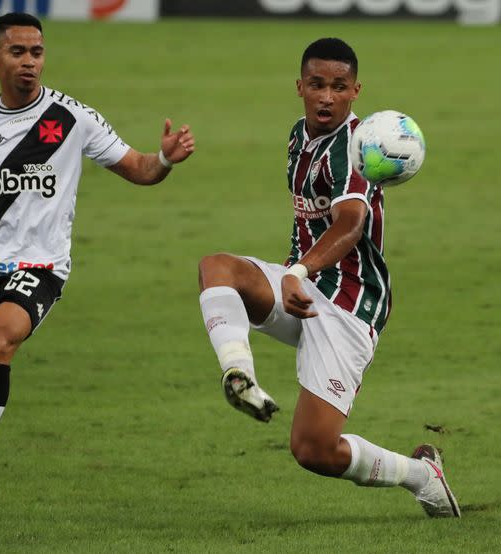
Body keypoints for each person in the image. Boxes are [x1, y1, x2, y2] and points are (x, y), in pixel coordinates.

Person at [0, 12, 195, 504]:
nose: (29, 62)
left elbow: (138, 168)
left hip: (39, 268)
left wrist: (167, 158)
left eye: (37, 52)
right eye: (17, 52)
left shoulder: (71, 118)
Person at [197, 38, 459, 518]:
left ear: (355, 91)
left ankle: (424, 476)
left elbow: (350, 223)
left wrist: (298, 270)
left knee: (313, 450)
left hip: (348, 306)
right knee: (217, 267)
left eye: (339, 87)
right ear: (299, 86)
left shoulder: (356, 151)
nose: (326, 97)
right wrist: (294, 274)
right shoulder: (299, 134)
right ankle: (240, 374)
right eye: (317, 85)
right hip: (303, 286)